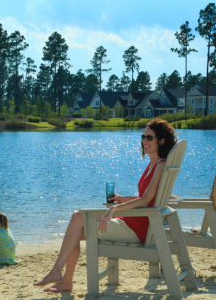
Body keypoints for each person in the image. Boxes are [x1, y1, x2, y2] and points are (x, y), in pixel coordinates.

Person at [34, 119, 177, 292]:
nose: (144, 141)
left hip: (139, 228)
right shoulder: (152, 165)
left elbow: (145, 201)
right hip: (136, 223)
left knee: (77, 219)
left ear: (161, 140)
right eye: (143, 137)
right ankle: (64, 280)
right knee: (76, 224)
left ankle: (59, 274)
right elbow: (146, 197)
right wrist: (123, 198)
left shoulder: (160, 165)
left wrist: (114, 208)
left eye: (149, 137)